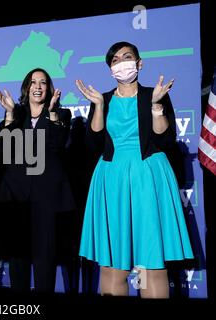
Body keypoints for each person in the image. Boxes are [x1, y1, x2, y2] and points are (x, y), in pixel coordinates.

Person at [76, 41, 194, 298]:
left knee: (151, 264)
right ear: (110, 69)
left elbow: (164, 140)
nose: (121, 63)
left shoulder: (155, 93)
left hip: (147, 179)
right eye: (115, 60)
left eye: (127, 57)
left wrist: (156, 106)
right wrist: (97, 107)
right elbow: (93, 144)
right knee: (112, 267)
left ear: (139, 63)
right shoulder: (103, 99)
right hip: (111, 179)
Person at [0, 68, 75, 293]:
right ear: (27, 88)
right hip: (16, 198)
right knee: (18, 261)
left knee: (44, 259)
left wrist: (53, 113)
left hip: (47, 200)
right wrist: (8, 115)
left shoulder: (61, 115)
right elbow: (3, 151)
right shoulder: (16, 116)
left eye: (43, 83)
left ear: (49, 88)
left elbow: (57, 145)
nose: (38, 87)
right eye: (33, 82)